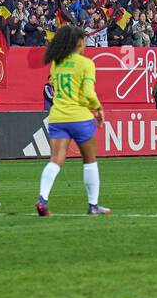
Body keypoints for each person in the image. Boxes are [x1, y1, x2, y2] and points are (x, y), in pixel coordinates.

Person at [36, 25, 109, 217]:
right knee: (90, 161)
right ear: (79, 42)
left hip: (57, 116)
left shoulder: (57, 64)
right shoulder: (86, 64)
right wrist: (98, 108)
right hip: (80, 117)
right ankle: (93, 206)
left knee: (56, 160)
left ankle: (42, 198)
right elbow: (87, 93)